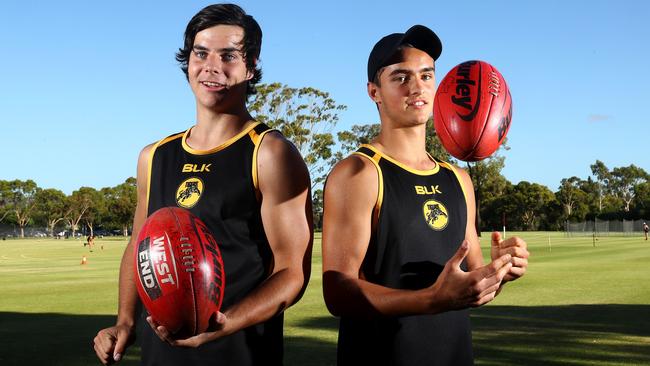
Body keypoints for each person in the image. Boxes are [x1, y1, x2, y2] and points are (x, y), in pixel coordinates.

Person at [93, 4, 313, 365]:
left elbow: (292, 273)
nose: (211, 67)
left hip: (239, 354)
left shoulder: (269, 153)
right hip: (158, 356)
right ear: (188, 60)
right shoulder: (154, 156)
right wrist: (125, 322)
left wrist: (225, 324)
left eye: (228, 55)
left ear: (251, 65)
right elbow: (139, 246)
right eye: (201, 53)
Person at [322, 25, 529, 365]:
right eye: (400, 77)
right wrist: (431, 299)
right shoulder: (359, 173)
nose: (417, 87)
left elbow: (472, 285)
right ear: (374, 91)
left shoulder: (458, 179)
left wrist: (500, 271)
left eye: (426, 75)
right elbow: (338, 293)